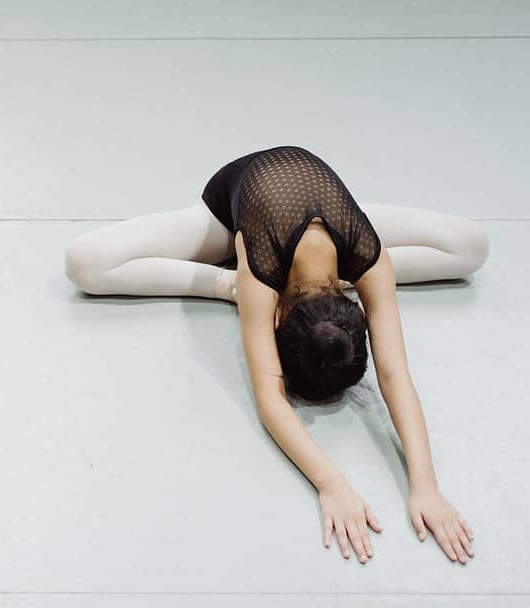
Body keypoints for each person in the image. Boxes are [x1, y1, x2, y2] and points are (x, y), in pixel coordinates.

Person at [65, 145, 487, 565]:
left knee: (472, 247)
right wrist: (331, 483)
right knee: (85, 262)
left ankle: (293, 279)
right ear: (279, 315)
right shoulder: (262, 273)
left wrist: (427, 485)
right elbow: (270, 397)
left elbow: (395, 376)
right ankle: (223, 284)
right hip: (232, 204)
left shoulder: (368, 254)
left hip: (328, 213)